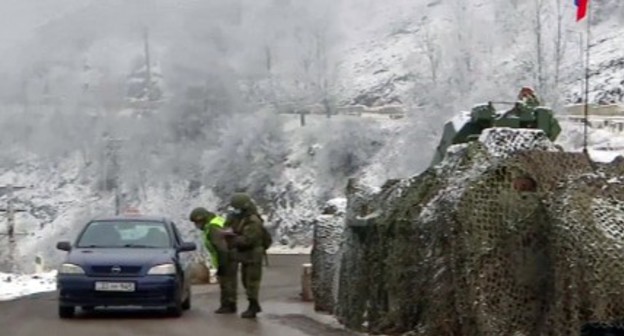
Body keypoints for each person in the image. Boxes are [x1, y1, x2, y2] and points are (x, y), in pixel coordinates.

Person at [189, 207, 238, 314]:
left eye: (197, 223)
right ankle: (229, 304)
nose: (196, 226)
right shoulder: (215, 222)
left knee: (227, 283)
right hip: (229, 257)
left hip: (226, 259)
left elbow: (221, 248)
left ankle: (228, 306)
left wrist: (222, 265)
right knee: (229, 282)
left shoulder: (212, 228)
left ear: (202, 219)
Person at [227, 193, 267, 318]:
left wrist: (231, 239)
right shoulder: (242, 218)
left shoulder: (253, 221)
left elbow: (248, 240)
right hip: (246, 255)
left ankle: (253, 306)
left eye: (237, 208)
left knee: (252, 282)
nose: (235, 211)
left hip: (253, 255)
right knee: (246, 280)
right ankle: (253, 305)